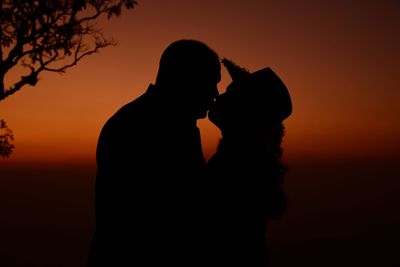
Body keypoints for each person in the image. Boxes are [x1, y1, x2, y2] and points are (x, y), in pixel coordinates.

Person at [88, 40, 221, 266]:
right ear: (185, 78)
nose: (215, 94)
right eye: (210, 82)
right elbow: (178, 215)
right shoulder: (145, 126)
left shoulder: (167, 122)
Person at [206, 58, 292, 266]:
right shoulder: (245, 160)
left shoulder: (237, 168)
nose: (219, 96)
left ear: (247, 112)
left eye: (232, 93)